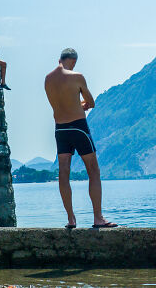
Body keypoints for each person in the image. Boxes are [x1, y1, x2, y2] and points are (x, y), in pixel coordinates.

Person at [44, 48, 116, 229]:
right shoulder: (77, 76)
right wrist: (81, 105)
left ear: (59, 59)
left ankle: (71, 219)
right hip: (78, 127)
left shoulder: (48, 79)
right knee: (93, 170)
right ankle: (98, 218)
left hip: (60, 129)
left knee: (64, 173)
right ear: (73, 61)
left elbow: (58, 103)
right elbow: (91, 103)